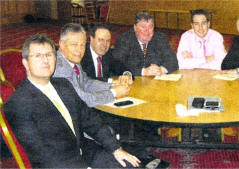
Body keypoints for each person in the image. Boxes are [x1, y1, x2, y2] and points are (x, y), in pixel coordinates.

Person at [3, 34, 156, 168]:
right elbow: (41, 153)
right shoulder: (18, 103)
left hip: (83, 150)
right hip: (58, 164)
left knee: (128, 164)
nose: (45, 61)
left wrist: (115, 149)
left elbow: (90, 120)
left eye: (49, 55)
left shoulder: (63, 84)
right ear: (25, 63)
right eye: (38, 56)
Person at [53, 23, 132, 107]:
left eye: (82, 45)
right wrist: (114, 93)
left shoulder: (72, 60)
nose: (79, 50)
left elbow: (86, 83)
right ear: (61, 44)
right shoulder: (60, 67)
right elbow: (81, 100)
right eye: (74, 45)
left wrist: (113, 86)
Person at [112, 11, 178, 76]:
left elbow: (173, 61)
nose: (147, 31)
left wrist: (161, 70)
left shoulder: (160, 38)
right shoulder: (124, 40)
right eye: (143, 27)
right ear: (135, 27)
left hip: (156, 82)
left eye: (150, 27)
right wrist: (144, 72)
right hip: (133, 82)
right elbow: (117, 65)